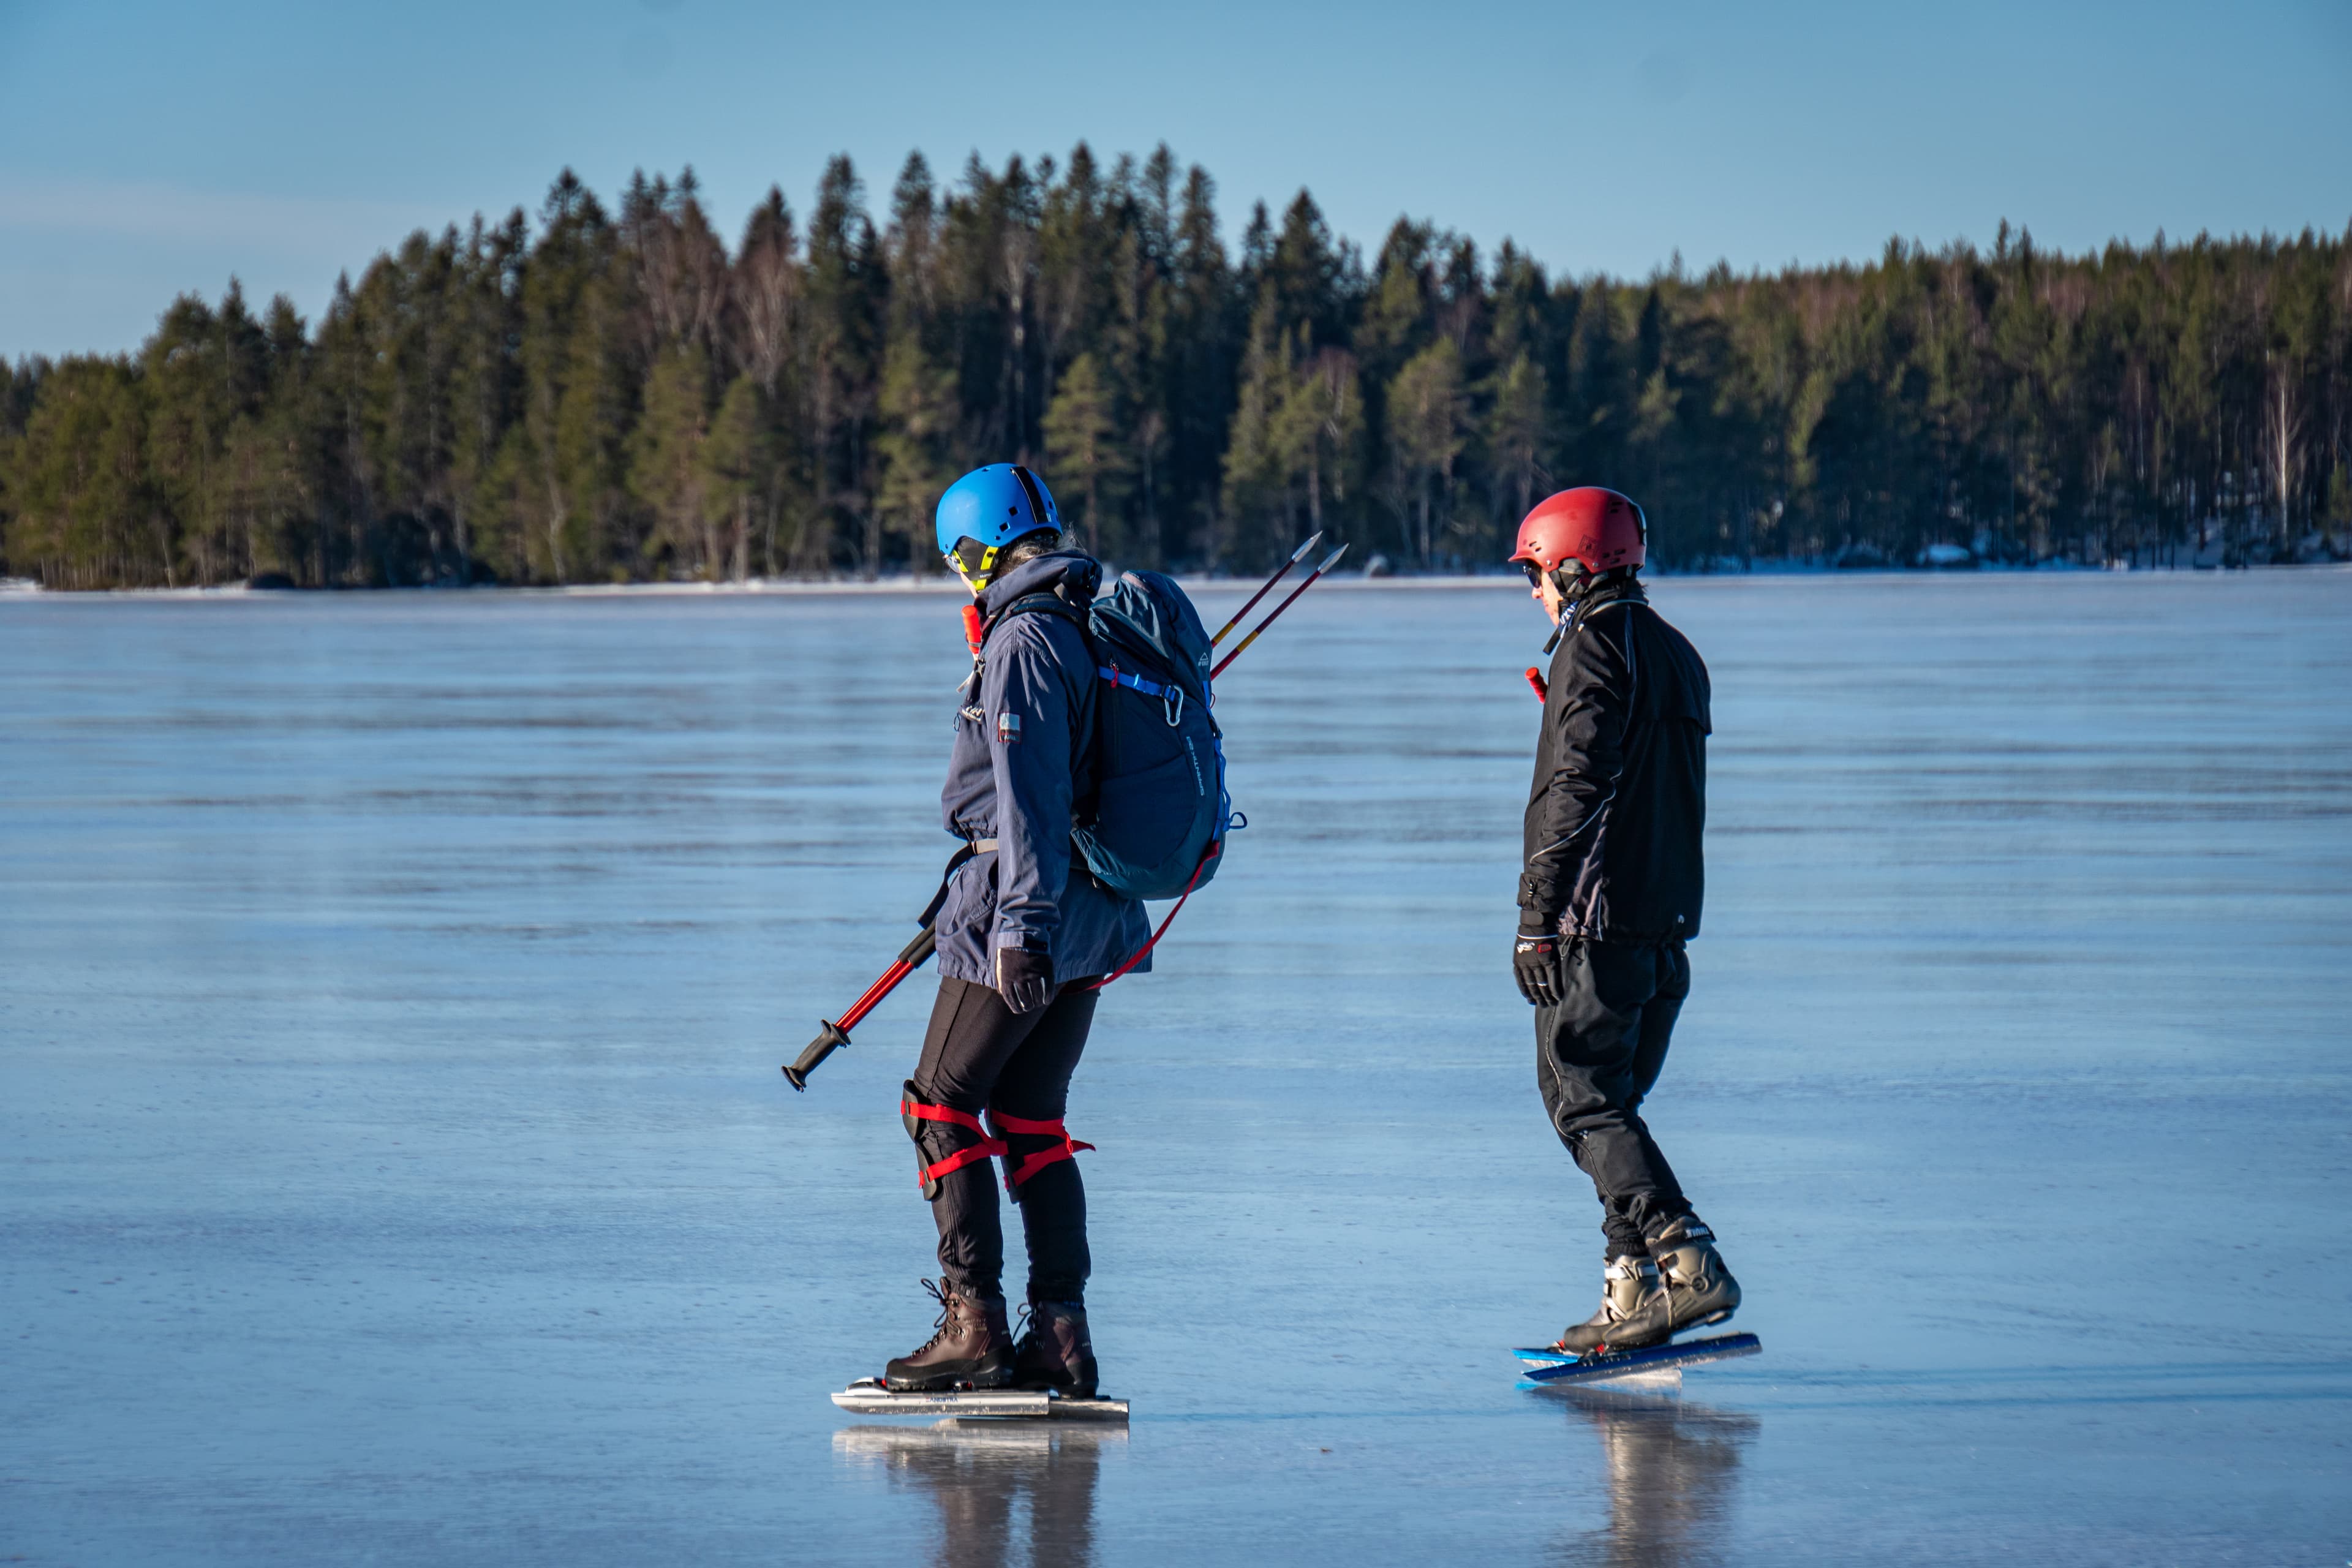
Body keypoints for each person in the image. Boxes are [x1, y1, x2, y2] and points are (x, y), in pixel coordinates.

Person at [882, 463, 1148, 1398]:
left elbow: (1030, 801)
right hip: (1095, 915)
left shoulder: (1026, 639)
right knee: (1030, 1117)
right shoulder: (1080, 618)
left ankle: (975, 1325)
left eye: (959, 558)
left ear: (978, 549)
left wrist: (1019, 927)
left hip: (1028, 910)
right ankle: (1063, 1341)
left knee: (939, 1103)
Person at [1508, 486, 1741, 1353]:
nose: (1535, 593)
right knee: (1613, 1110)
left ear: (1574, 564)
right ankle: (1631, 1288)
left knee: (1582, 1099)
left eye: (1536, 573)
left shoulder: (1595, 649)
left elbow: (1576, 790)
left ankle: (1684, 1260)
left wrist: (1538, 918)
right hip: (1664, 926)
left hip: (1593, 926)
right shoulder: (1676, 653)